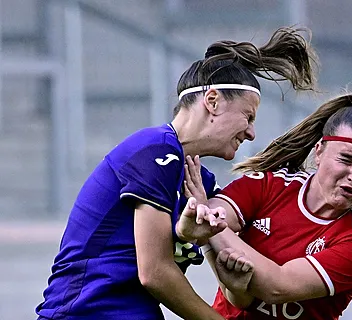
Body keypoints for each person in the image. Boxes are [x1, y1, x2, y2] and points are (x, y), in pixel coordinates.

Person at [35, 27, 318, 320]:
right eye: (248, 116)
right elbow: (154, 272)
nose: (251, 132)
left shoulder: (201, 183)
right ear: (212, 101)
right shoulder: (154, 150)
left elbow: (237, 294)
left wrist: (235, 278)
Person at [177, 93, 352, 319]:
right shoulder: (271, 185)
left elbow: (277, 286)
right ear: (319, 152)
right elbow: (204, 224)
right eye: (346, 159)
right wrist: (201, 219)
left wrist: (210, 226)